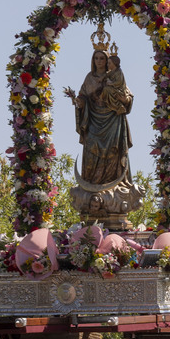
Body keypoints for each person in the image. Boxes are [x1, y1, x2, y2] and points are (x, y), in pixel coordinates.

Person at [62, 41, 143, 224]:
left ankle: (114, 188)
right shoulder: (89, 78)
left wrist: (120, 97)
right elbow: (83, 98)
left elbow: (128, 97)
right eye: (96, 58)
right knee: (91, 154)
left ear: (108, 61)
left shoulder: (115, 76)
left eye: (102, 58)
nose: (99, 61)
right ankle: (93, 189)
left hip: (112, 121)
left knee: (114, 154)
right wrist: (79, 102)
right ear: (93, 60)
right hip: (93, 122)